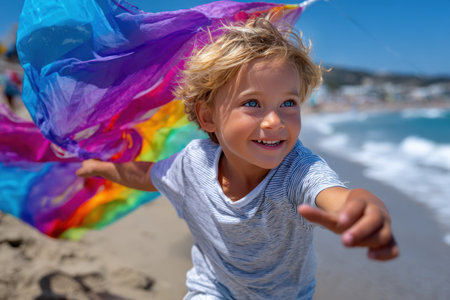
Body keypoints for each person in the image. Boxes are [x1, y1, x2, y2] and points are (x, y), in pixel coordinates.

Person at [77, 18, 398, 299]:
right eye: (253, 103)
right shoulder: (193, 164)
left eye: (288, 103)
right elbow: (147, 176)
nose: (275, 121)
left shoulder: (299, 169)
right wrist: (99, 167)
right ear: (208, 117)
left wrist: (366, 209)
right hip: (212, 288)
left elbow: (335, 196)